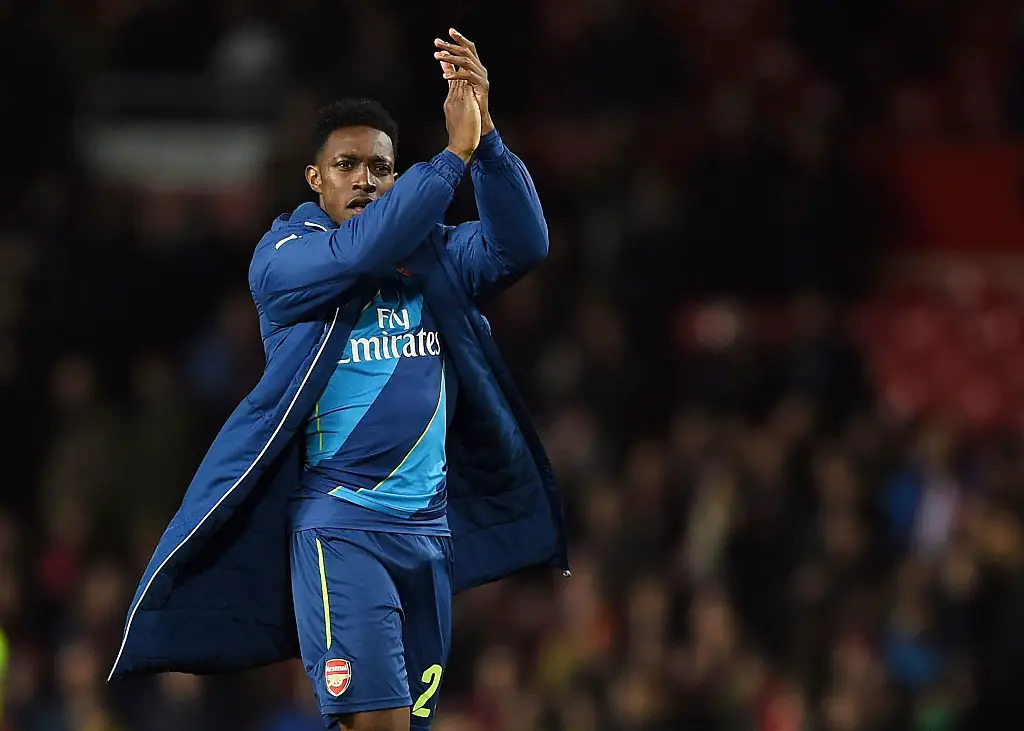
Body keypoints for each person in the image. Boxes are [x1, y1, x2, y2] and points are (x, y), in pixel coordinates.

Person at [108, 29, 568, 731]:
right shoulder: (284, 259)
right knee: (377, 722)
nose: (364, 180)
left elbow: (523, 244)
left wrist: (489, 144)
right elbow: (360, 253)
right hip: (341, 529)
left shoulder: (435, 258)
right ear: (314, 178)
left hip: (429, 535)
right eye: (346, 165)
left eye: (380, 168)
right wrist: (450, 160)